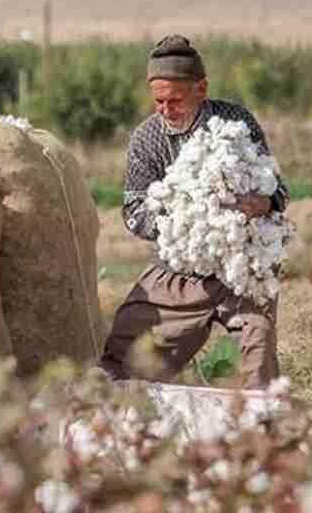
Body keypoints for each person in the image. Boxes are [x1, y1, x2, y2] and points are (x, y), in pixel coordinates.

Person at [99, 34, 288, 388]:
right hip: (179, 269)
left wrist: (264, 203)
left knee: (256, 353)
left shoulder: (236, 124)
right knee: (126, 351)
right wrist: (183, 222)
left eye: (176, 100)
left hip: (242, 267)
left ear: (201, 89)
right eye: (158, 101)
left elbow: (279, 190)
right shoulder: (147, 139)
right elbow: (133, 209)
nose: (166, 110)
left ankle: (259, 430)